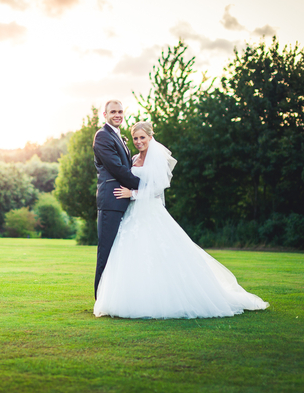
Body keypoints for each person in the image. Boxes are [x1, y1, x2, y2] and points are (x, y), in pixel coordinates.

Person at [94, 121, 269, 319]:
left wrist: (132, 193)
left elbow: (158, 188)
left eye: (143, 137)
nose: (139, 141)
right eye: (135, 138)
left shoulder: (157, 158)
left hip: (149, 211)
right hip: (134, 214)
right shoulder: (133, 158)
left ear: (151, 137)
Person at [92, 100, 140, 299]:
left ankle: (115, 298)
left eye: (120, 111)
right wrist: (142, 184)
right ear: (105, 114)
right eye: (113, 112)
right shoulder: (103, 136)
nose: (118, 114)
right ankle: (101, 299)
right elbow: (117, 168)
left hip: (122, 200)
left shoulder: (119, 136)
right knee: (106, 250)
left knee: (119, 251)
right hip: (111, 200)